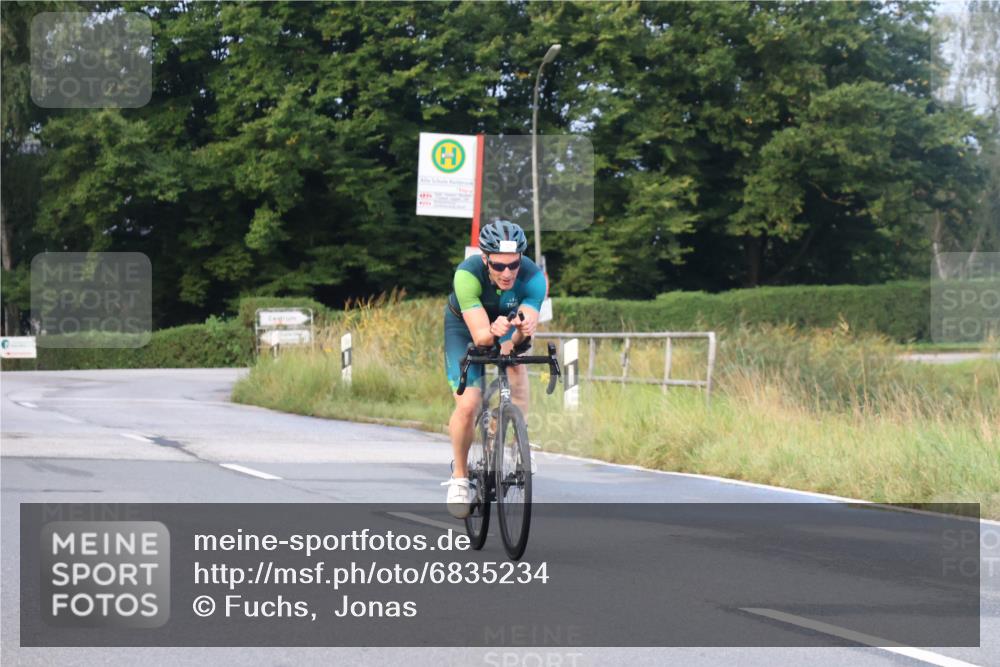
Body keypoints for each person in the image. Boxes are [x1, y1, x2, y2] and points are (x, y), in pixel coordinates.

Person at [442, 220, 547, 518]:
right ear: (485, 258)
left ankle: (516, 447)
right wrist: (493, 332)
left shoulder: (533, 278)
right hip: (465, 328)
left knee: (515, 366)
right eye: (499, 266)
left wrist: (522, 331)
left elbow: (519, 338)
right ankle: (460, 477)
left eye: (514, 265)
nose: (507, 273)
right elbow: (481, 338)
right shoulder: (467, 274)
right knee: (470, 403)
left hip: (505, 326)